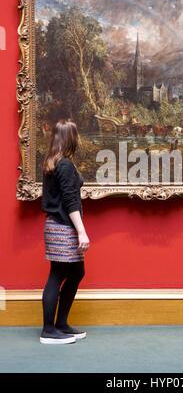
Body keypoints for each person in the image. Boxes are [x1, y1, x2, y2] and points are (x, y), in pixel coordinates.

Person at [40, 119, 90, 345]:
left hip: (56, 225)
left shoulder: (53, 162)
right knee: (57, 275)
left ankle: (61, 324)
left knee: (76, 272)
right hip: (63, 227)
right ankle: (49, 330)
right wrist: (81, 231)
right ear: (72, 138)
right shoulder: (65, 165)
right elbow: (70, 201)